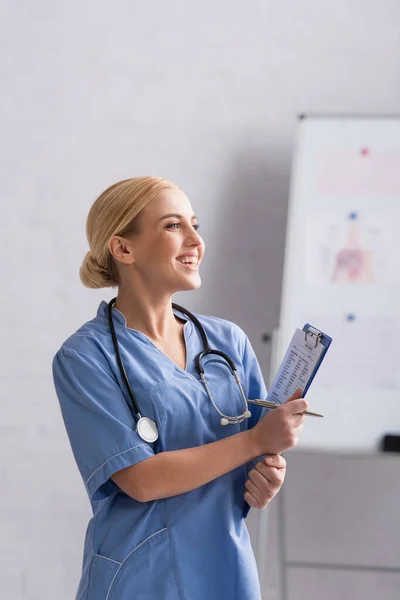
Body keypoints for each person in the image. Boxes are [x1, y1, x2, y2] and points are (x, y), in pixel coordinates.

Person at [52, 176, 308, 600]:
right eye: (174, 226)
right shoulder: (84, 357)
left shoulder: (228, 343)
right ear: (123, 248)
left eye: (195, 224)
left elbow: (259, 452)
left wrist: (267, 473)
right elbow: (140, 479)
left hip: (224, 571)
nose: (195, 240)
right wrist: (256, 441)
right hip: (140, 578)